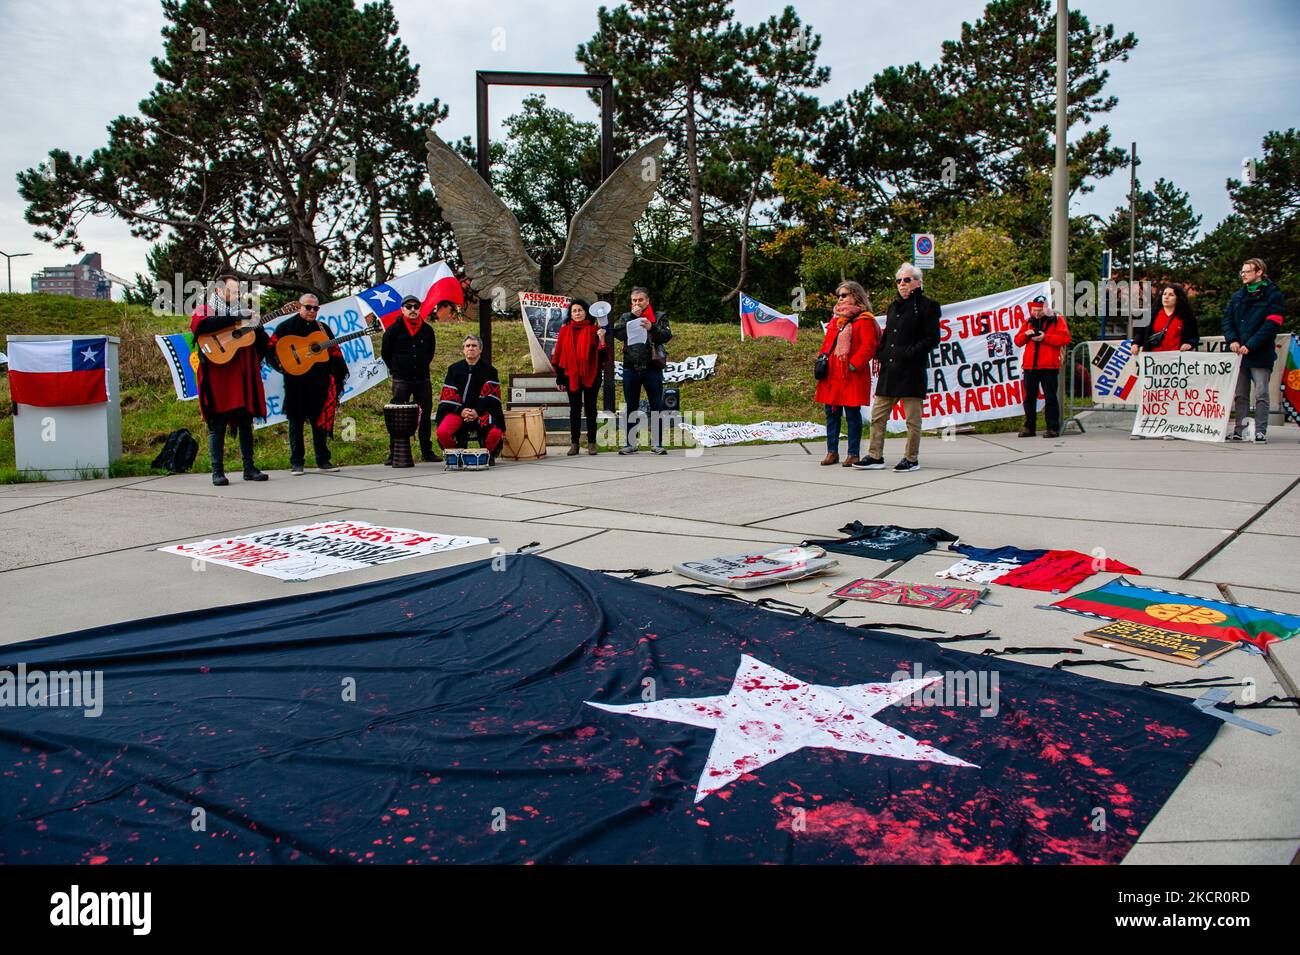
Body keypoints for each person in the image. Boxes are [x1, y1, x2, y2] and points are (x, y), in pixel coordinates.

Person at [855, 264, 941, 472]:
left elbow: (932, 338)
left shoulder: (928, 306)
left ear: (918, 282)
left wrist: (909, 353)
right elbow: (887, 336)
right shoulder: (894, 307)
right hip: (889, 372)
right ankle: (875, 456)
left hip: (911, 371)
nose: (902, 284)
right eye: (899, 281)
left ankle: (911, 459)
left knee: (912, 420)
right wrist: (881, 352)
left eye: (907, 280)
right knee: (878, 416)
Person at [191, 274, 270, 485]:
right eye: (231, 291)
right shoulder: (205, 309)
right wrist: (238, 317)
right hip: (219, 377)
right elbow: (200, 327)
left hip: (242, 375)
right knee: (218, 424)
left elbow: (259, 343)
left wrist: (258, 328)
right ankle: (217, 471)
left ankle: (249, 468)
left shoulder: (244, 312)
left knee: (246, 422)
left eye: (237, 292)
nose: (235, 295)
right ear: (218, 290)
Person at [269, 293, 347, 474]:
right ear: (299, 307)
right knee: (295, 421)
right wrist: (283, 367)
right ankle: (297, 462)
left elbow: (335, 352)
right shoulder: (285, 327)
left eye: (315, 308)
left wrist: (334, 372)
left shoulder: (322, 329)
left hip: (318, 382)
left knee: (319, 421)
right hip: (295, 382)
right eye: (308, 307)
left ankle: (323, 460)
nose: (312, 311)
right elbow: (271, 348)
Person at [815, 281, 879, 467]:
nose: (840, 299)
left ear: (856, 296)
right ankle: (832, 451)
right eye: (839, 296)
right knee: (831, 413)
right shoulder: (836, 319)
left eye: (844, 295)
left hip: (852, 375)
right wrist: (822, 360)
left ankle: (853, 454)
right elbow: (827, 344)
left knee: (852, 414)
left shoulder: (865, 320)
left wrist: (852, 365)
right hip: (832, 375)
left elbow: (869, 347)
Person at [1223, 258, 1287, 443]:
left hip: (1260, 352)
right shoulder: (1237, 296)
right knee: (1240, 394)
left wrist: (1251, 344)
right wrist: (1232, 339)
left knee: (1261, 394)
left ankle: (1260, 431)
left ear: (1259, 272)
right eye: (1241, 272)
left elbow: (1272, 324)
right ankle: (1240, 430)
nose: (1243, 275)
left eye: (1247, 271)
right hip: (1238, 353)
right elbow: (1227, 319)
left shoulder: (1273, 294)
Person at [613, 286, 673, 455]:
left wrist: (652, 327)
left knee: (656, 405)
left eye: (640, 300)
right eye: (634, 300)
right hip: (630, 367)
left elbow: (667, 337)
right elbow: (618, 334)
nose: (637, 303)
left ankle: (657, 443)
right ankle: (631, 443)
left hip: (652, 368)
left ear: (647, 301)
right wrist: (633, 318)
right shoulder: (626, 317)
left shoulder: (660, 317)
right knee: (631, 406)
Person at [381, 295, 439, 463]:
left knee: (425, 414)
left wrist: (421, 365)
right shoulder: (393, 330)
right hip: (401, 380)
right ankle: (395, 452)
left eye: (416, 306)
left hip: (422, 379)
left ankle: (426, 451)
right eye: (409, 306)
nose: (413, 309)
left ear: (420, 308)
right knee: (397, 415)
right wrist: (396, 368)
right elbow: (386, 353)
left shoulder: (427, 330)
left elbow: (430, 352)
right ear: (402, 309)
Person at [436, 335, 505, 462]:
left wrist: (476, 412)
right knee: (442, 432)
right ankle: (455, 456)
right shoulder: (454, 369)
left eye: (474, 346)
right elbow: (448, 395)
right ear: (463, 349)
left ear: (480, 350)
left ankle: (487, 455)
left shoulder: (490, 371)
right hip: (458, 412)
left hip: (481, 412)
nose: (470, 348)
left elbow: (491, 398)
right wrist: (461, 410)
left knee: (495, 432)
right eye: (468, 346)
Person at [552, 298, 608, 456]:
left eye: (580, 310)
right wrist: (560, 378)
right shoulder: (564, 331)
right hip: (571, 375)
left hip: (591, 375)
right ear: (570, 314)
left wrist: (602, 338)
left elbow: (603, 356)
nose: (577, 313)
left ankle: (591, 443)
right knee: (574, 410)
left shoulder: (594, 329)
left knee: (591, 409)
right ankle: (574, 444)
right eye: (574, 311)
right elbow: (559, 354)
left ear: (586, 312)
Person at [1014, 295, 1071, 438]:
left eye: (1039, 310)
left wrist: (1045, 337)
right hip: (1030, 366)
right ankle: (1029, 427)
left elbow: (1065, 338)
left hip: (1049, 366)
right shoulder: (1028, 322)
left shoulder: (1057, 320)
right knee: (1029, 398)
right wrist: (1026, 335)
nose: (1036, 313)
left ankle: (1052, 428)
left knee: (1050, 398)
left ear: (1046, 309)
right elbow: (1017, 341)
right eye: (1034, 310)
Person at [1135, 283, 1199, 353]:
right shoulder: (1152, 315)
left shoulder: (1186, 317)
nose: (1166, 297)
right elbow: (1141, 333)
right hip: (1153, 358)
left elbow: (1194, 336)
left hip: (1176, 359)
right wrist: (1135, 344)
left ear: (1177, 299)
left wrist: (1190, 343)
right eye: (1164, 294)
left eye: (1171, 295)